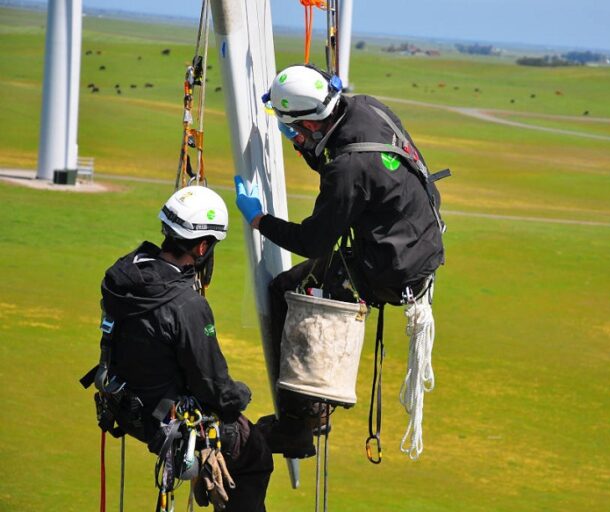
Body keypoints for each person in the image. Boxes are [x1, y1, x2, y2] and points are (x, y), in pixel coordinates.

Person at [233, 64, 446, 455]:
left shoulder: (347, 168)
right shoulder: (365, 108)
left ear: (310, 124)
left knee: (289, 291)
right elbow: (350, 164)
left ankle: (299, 424)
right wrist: (310, 151)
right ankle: (311, 411)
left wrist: (260, 220)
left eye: (292, 129)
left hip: (390, 267)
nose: (291, 136)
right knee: (310, 280)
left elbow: (313, 240)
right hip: (419, 241)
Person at [84, 186, 274, 512]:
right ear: (202, 247)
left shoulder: (123, 275)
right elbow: (213, 387)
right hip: (167, 423)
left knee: (249, 432)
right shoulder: (186, 305)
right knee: (254, 451)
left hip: (126, 407)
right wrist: (239, 396)